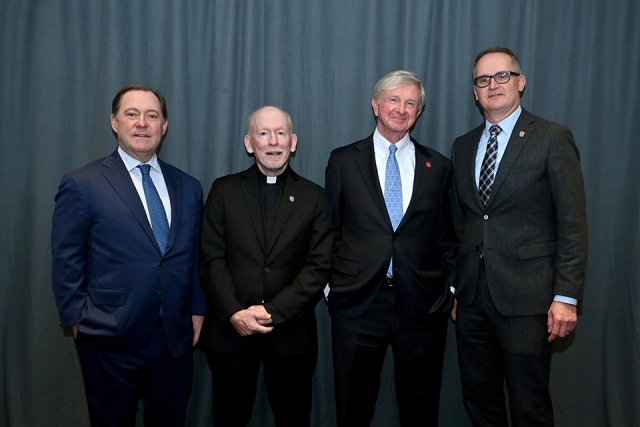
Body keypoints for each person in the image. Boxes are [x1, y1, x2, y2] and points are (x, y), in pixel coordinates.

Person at [51, 83, 206, 427]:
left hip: (173, 341)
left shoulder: (189, 187)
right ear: (114, 122)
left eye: (152, 116)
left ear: (164, 126)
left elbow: (192, 257)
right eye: (132, 114)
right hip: (108, 338)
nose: (142, 123)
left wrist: (197, 309)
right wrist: (78, 321)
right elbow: (66, 260)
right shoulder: (83, 183)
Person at [450, 47, 588, 426]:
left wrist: (566, 296)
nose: (493, 85)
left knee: (530, 406)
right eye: (483, 80)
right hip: (473, 301)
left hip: (530, 301)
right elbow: (461, 223)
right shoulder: (463, 147)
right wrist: (457, 289)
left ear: (520, 81)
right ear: (475, 92)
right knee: (480, 402)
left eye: (502, 76)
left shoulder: (551, 137)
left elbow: (572, 224)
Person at [324, 70, 458, 426]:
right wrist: (330, 286)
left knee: (422, 408)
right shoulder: (343, 160)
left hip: (422, 305)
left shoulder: (439, 166)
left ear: (419, 111)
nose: (401, 109)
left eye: (411, 103)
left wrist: (450, 288)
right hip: (358, 303)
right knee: (353, 407)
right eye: (394, 100)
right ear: (376, 104)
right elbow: (329, 229)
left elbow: (447, 235)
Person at [198, 106, 333, 427]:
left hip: (291, 335)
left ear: (293, 141)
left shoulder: (314, 197)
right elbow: (210, 258)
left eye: (281, 133)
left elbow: (318, 266)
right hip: (231, 333)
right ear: (249, 143)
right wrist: (234, 313)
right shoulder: (224, 190)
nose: (273, 141)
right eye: (263, 133)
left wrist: (273, 311)